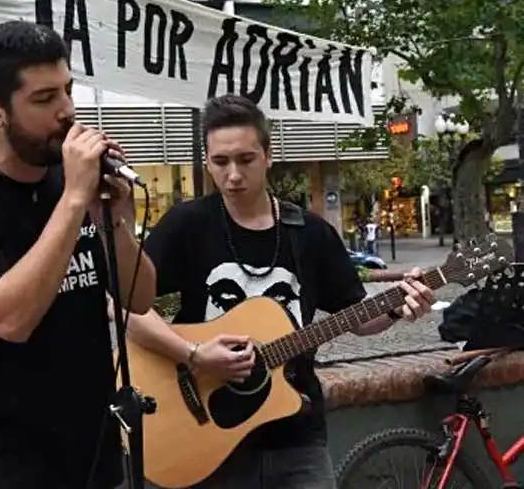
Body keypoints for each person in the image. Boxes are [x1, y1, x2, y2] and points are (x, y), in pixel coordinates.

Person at [123, 93, 435, 489]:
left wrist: (397, 306)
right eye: (220, 162)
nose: (233, 174)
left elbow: (357, 316)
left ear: (268, 156)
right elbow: (128, 308)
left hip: (296, 435)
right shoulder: (187, 225)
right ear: (207, 163)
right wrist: (195, 355)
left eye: (245, 160)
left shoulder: (311, 233)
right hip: (204, 437)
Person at [0, 21, 157, 489]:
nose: (67, 111)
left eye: (67, 90)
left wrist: (117, 217)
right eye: (44, 100)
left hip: (92, 452)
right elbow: (10, 319)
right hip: (2, 462)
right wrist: (72, 203)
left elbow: (140, 297)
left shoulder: (71, 182)